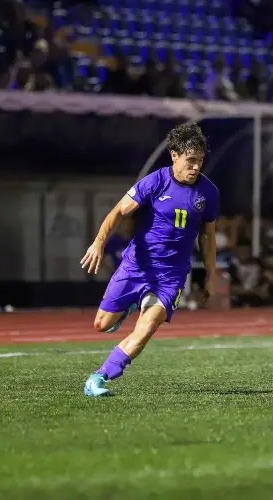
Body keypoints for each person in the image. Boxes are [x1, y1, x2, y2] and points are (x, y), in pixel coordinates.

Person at [79, 123, 220, 397]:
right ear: (174, 155)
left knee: (146, 328)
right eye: (190, 161)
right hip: (136, 266)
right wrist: (99, 242)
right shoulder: (155, 182)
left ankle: (99, 377)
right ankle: (132, 302)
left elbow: (208, 238)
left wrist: (212, 276)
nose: (195, 168)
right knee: (102, 325)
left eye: (200, 162)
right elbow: (119, 211)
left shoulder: (209, 193)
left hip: (171, 276)